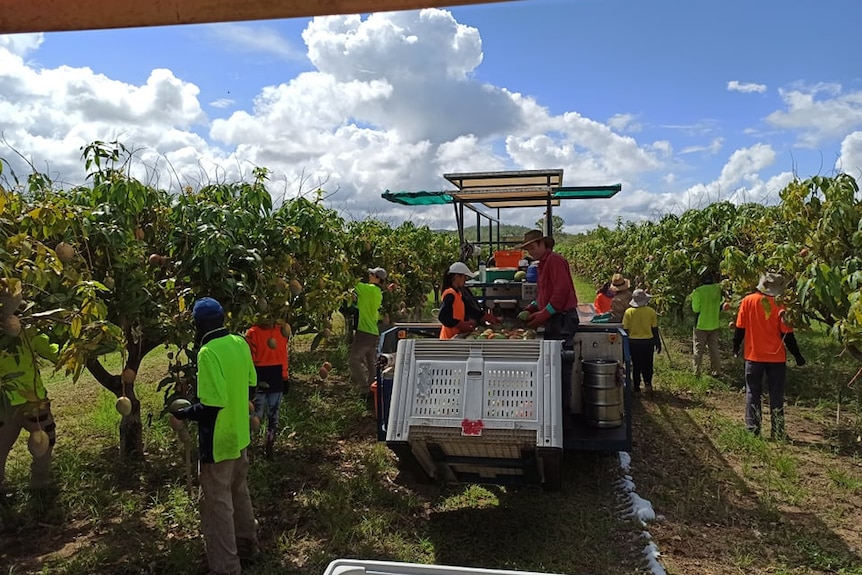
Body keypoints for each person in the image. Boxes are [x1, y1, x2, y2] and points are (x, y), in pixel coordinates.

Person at [173, 297, 259, 575]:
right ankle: (248, 547)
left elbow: (211, 406)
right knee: (238, 491)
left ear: (198, 326)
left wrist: (185, 413)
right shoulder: (239, 342)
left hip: (218, 441)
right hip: (240, 435)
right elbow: (251, 387)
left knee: (217, 505)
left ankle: (226, 567)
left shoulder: (207, 352)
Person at [732, 273, 806, 440]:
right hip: (776, 358)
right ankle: (778, 432)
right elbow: (788, 335)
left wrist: (735, 347)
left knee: (752, 393)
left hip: (753, 356)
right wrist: (798, 356)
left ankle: (753, 430)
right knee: (776, 395)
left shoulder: (748, 301)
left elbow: (740, 329)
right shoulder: (781, 305)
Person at [516, 229, 579, 415]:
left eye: (533, 247)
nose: (530, 251)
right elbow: (545, 294)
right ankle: (553, 413)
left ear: (544, 244)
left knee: (561, 368)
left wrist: (544, 314)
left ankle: (563, 418)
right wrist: (532, 307)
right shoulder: (542, 264)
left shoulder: (554, 260)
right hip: (555, 318)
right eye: (527, 249)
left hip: (563, 319)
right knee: (553, 367)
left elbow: (560, 292)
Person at [0, 328, 59, 494]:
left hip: (4, 404)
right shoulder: (28, 331)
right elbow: (52, 352)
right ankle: (39, 484)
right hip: (33, 402)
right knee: (46, 441)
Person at [245, 318, 289, 459]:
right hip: (267, 377)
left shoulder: (256, 332)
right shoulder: (256, 332)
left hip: (266, 377)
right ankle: (256, 448)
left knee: (262, 415)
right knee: (262, 415)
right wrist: (284, 377)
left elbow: (282, 355)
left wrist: (285, 377)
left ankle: (261, 447)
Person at [349, 267, 386, 404]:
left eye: (372, 274)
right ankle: (373, 389)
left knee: (354, 361)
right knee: (371, 363)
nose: (369, 275)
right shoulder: (377, 292)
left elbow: (351, 282)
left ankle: (364, 389)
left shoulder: (368, 289)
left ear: (377, 278)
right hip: (373, 332)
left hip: (364, 331)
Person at [622, 289, 660, 394]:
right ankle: (648, 384)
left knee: (636, 365)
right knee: (648, 364)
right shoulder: (651, 311)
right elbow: (654, 329)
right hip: (648, 342)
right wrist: (658, 342)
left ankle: (637, 387)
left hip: (633, 342)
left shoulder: (628, 312)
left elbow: (625, 329)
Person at [438, 262, 486, 339]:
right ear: (457, 276)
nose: (465, 280)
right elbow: (443, 317)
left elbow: (468, 309)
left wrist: (484, 316)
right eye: (464, 277)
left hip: (457, 337)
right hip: (449, 339)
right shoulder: (450, 294)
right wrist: (462, 325)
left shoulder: (458, 294)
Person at [690, 271, 723, 377]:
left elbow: (695, 309)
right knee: (714, 349)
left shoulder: (698, 291)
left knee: (698, 349)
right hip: (714, 323)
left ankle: (697, 371)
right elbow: (721, 303)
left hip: (701, 324)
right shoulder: (718, 289)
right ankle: (716, 371)